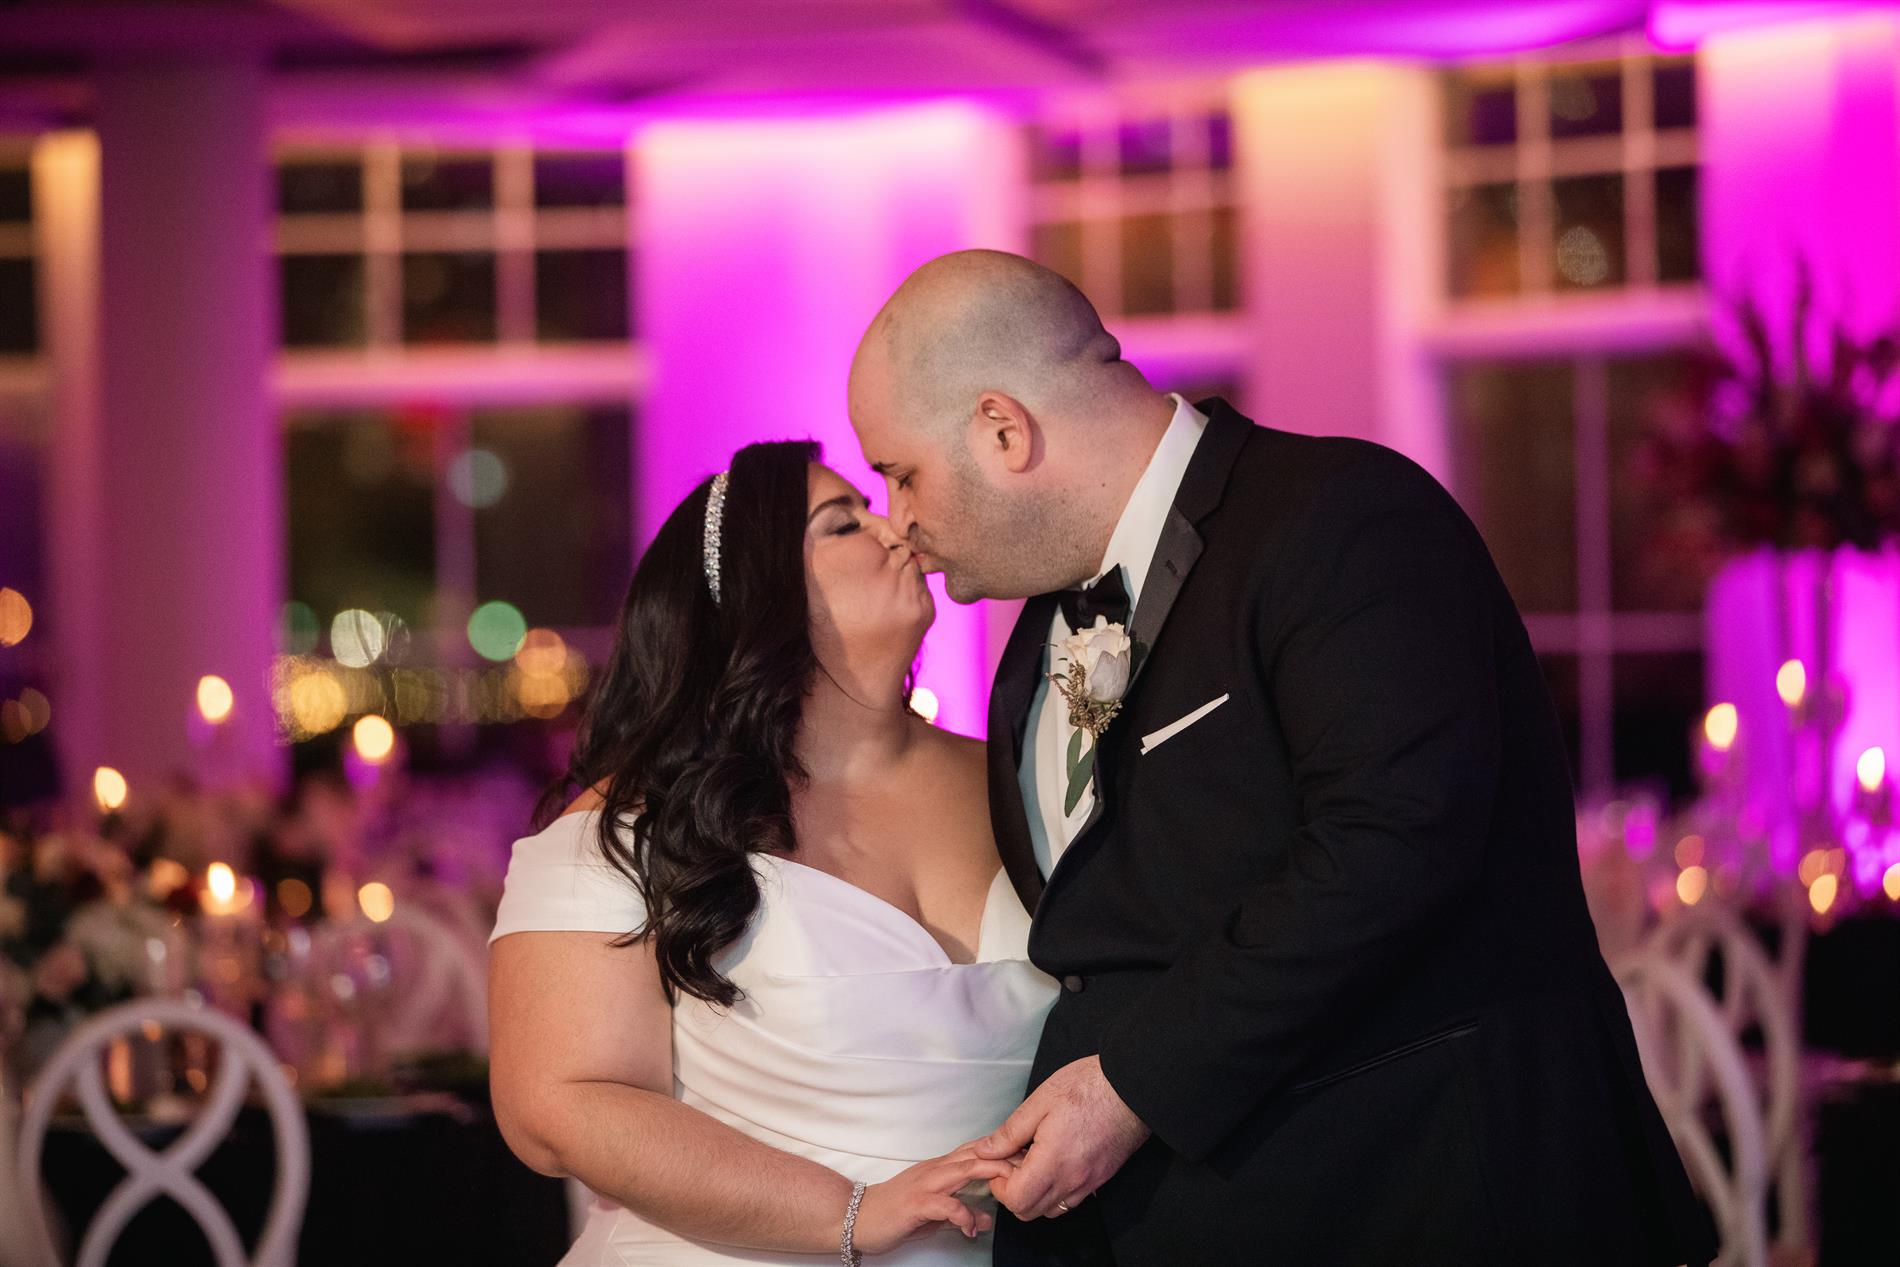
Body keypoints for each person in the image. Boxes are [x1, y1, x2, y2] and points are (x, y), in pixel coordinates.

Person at [847, 249, 1719, 1266]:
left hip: (1429, 1201)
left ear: (1003, 428)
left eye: (901, 473)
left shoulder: (1343, 516)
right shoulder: (1035, 636)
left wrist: (1131, 1087)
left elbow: (1392, 841)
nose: (899, 521)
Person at [487, 439, 1058, 1265]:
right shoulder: (642, 825)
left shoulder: (1025, 777)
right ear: (759, 596)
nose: (895, 528)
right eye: (843, 522)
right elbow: (556, 1106)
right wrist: (849, 1212)